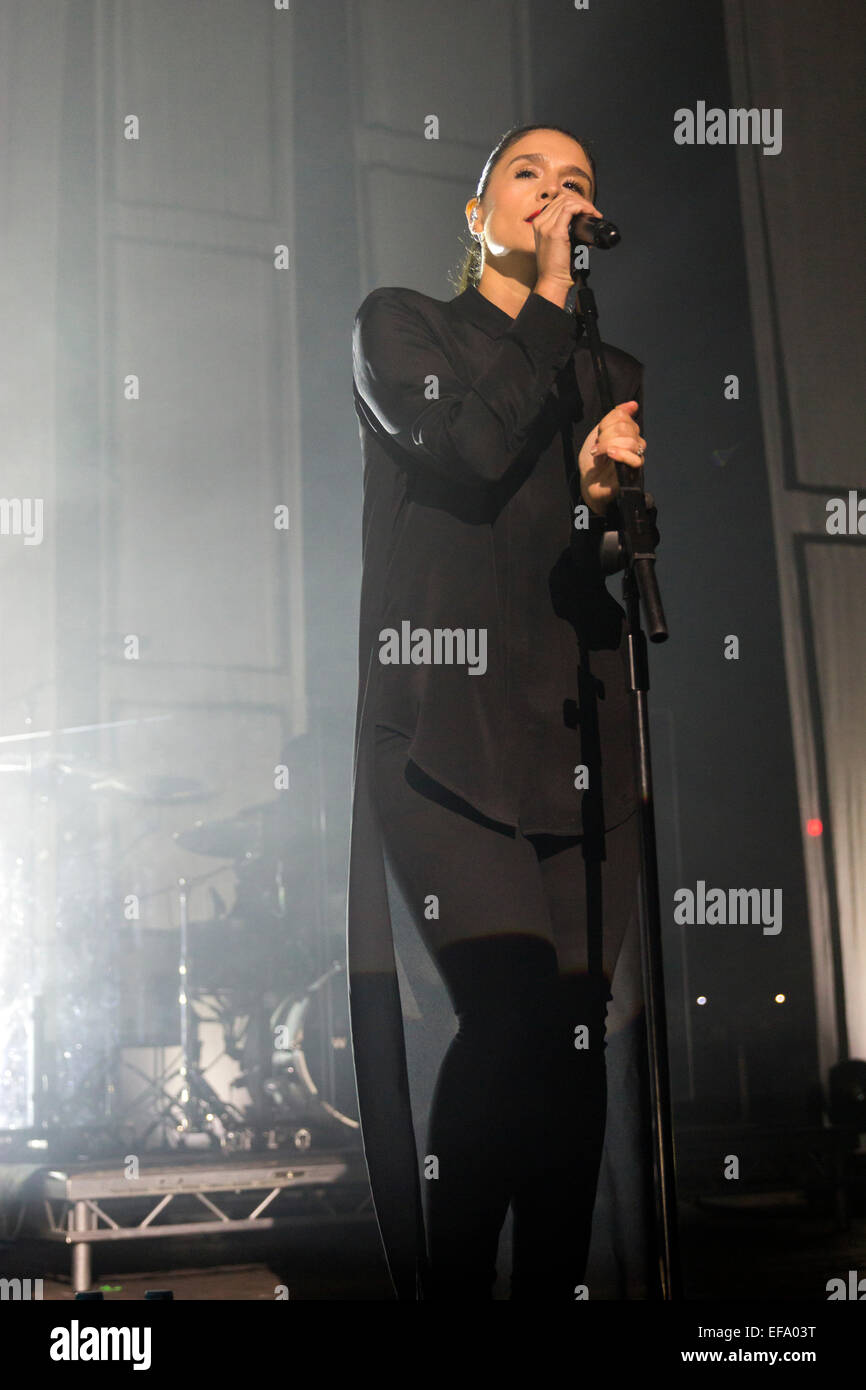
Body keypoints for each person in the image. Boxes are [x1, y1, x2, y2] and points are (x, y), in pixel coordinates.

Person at [346, 123, 651, 1301]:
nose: (554, 192)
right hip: (442, 731)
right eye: (529, 174)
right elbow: (467, 453)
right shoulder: (398, 325)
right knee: (516, 1012)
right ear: (477, 216)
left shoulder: (607, 372)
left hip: (575, 732)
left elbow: (596, 561)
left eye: (577, 179)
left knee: (577, 1046)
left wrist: (595, 505)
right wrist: (544, 300)